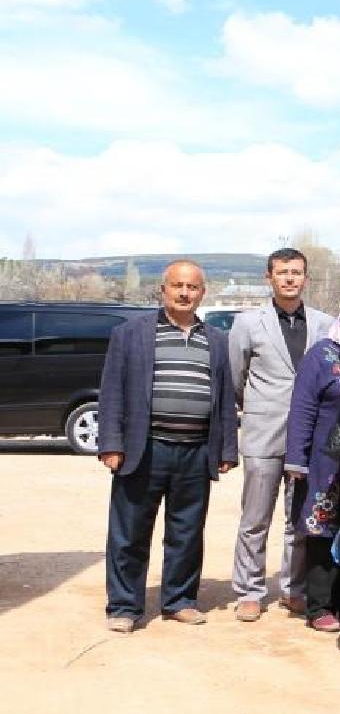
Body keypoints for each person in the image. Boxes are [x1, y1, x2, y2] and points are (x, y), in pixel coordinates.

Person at [100, 260, 238, 632]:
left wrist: (226, 449)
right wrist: (111, 444)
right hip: (144, 448)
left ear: (202, 293)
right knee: (129, 532)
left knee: (187, 532)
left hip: (195, 451)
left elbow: (224, 398)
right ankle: (124, 606)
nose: (184, 293)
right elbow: (111, 391)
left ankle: (179, 600)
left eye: (192, 287)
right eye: (177, 285)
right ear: (163, 290)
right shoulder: (130, 334)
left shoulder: (216, 340)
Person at [228, 248, 334, 622]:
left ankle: (294, 589)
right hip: (263, 432)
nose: (290, 278)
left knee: (300, 518)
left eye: (296, 272)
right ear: (269, 277)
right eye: (283, 272)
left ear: (306, 278)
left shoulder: (324, 324)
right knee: (255, 518)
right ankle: (250, 591)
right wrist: (257, 407)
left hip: (307, 437)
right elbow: (236, 377)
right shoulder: (247, 324)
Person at [284, 293, 340, 633]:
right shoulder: (323, 354)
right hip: (325, 462)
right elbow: (302, 409)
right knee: (322, 529)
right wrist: (296, 459)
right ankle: (320, 605)